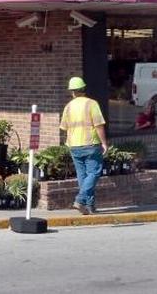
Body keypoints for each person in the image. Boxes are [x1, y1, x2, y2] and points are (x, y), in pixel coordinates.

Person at [60, 76, 110, 215]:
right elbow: (99, 125)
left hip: (74, 146)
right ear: (83, 89)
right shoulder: (91, 104)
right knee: (94, 173)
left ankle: (90, 206)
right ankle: (80, 200)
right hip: (90, 144)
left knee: (83, 177)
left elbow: (64, 127)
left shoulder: (68, 107)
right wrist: (104, 143)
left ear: (72, 92)